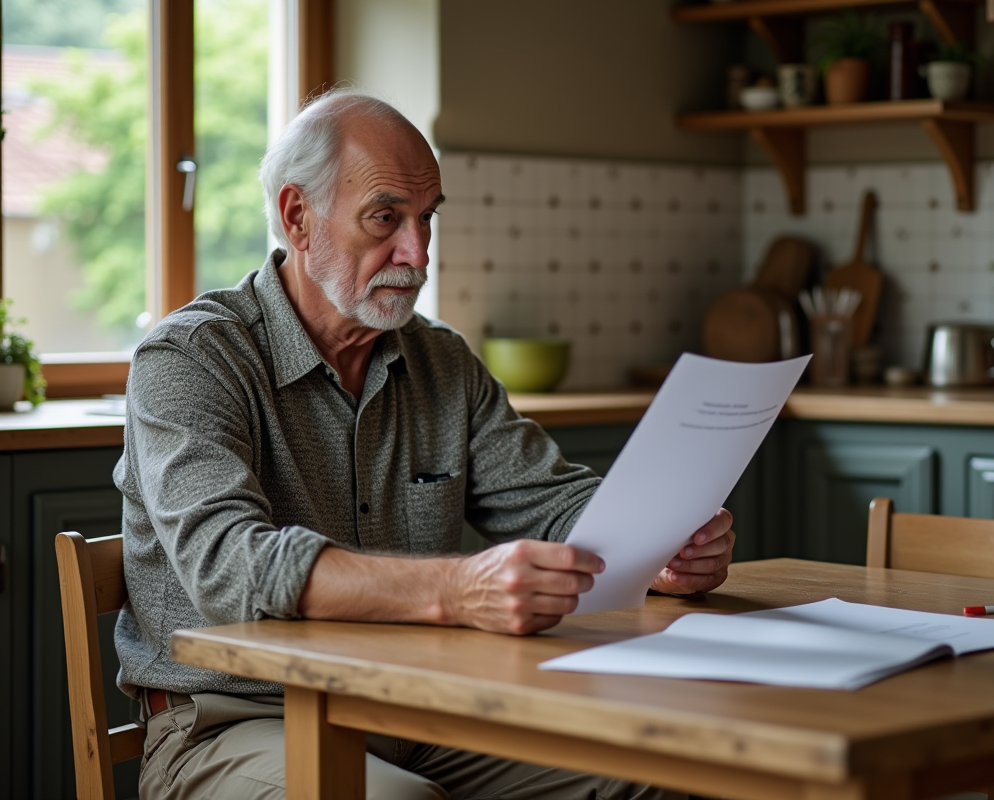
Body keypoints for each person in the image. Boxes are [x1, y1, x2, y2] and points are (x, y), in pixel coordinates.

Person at [114, 88, 736, 800]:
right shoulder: (191, 358)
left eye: (427, 217)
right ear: (297, 217)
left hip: (418, 708)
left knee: (661, 770)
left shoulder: (441, 360)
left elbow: (550, 501)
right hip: (233, 722)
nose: (417, 253)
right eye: (386, 217)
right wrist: (457, 590)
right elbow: (228, 568)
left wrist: (661, 547)